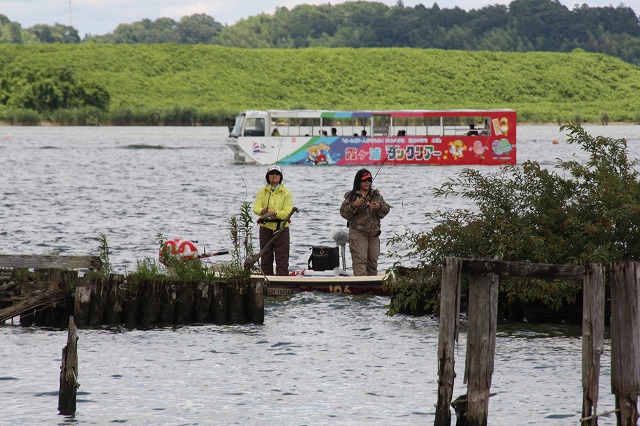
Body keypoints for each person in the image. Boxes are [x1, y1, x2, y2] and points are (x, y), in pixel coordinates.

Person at [339, 169, 390, 276]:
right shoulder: (351, 196)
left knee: (373, 264)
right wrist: (354, 205)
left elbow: (386, 208)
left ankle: (372, 285)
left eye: (369, 180)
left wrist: (379, 206)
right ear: (358, 181)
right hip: (358, 234)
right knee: (360, 263)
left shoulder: (376, 195)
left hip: (374, 234)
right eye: (364, 180)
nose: (367, 182)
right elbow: (343, 212)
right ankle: (361, 285)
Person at [253, 165, 293, 276]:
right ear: (267, 176)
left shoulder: (286, 192)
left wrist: (275, 213)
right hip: (265, 227)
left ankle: (282, 281)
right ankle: (266, 280)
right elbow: (255, 209)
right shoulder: (262, 191)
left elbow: (287, 212)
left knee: (282, 257)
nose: (274, 176)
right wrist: (262, 211)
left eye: (277, 174)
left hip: (281, 228)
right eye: (271, 173)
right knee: (265, 258)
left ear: (281, 177)